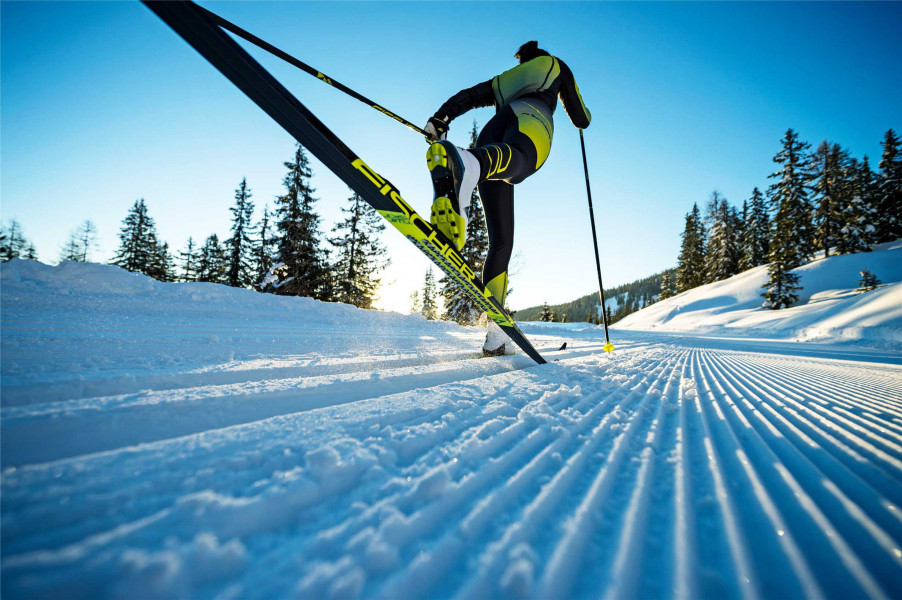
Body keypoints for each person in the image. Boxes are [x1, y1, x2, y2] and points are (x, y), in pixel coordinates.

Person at [423, 40, 591, 356]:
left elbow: (470, 96)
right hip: (532, 120)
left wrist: (441, 118)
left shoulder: (508, 79)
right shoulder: (555, 65)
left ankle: (496, 337)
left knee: (501, 240)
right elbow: (581, 115)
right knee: (523, 162)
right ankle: (467, 165)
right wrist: (581, 116)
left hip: (491, 135)